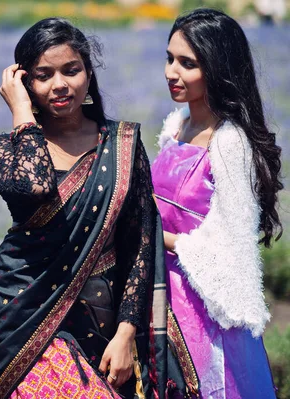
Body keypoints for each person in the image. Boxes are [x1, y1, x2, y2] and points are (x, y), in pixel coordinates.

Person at [0, 17, 182, 399]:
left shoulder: (122, 145)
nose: (60, 85)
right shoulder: (3, 150)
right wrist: (22, 112)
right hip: (21, 318)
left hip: (101, 318)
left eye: (71, 70)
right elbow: (35, 187)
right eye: (43, 75)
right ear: (24, 83)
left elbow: (139, 242)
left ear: (89, 73)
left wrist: (125, 333)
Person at [152, 8, 283, 398]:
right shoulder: (176, 126)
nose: (171, 72)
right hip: (160, 287)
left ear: (216, 69)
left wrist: (161, 237)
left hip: (202, 301)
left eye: (187, 63)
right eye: (169, 58)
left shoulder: (229, 143)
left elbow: (232, 240)